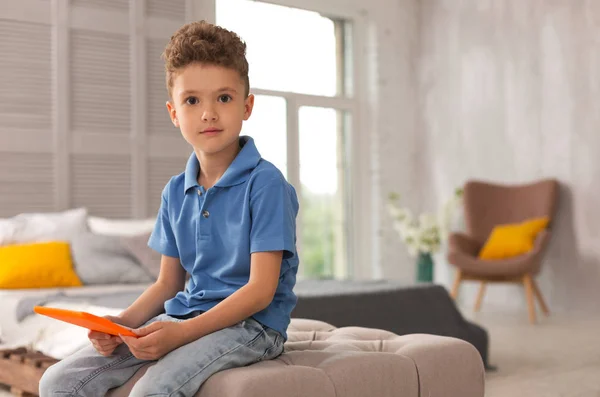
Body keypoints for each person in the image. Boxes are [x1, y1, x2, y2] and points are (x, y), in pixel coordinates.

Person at [39, 20, 299, 397]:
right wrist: (121, 323)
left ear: (247, 106)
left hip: (253, 326)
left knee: (154, 389)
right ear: (174, 113)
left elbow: (260, 291)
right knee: (57, 382)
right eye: (192, 100)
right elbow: (168, 283)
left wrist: (181, 334)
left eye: (223, 98)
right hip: (185, 314)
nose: (208, 113)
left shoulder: (266, 184)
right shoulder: (175, 191)